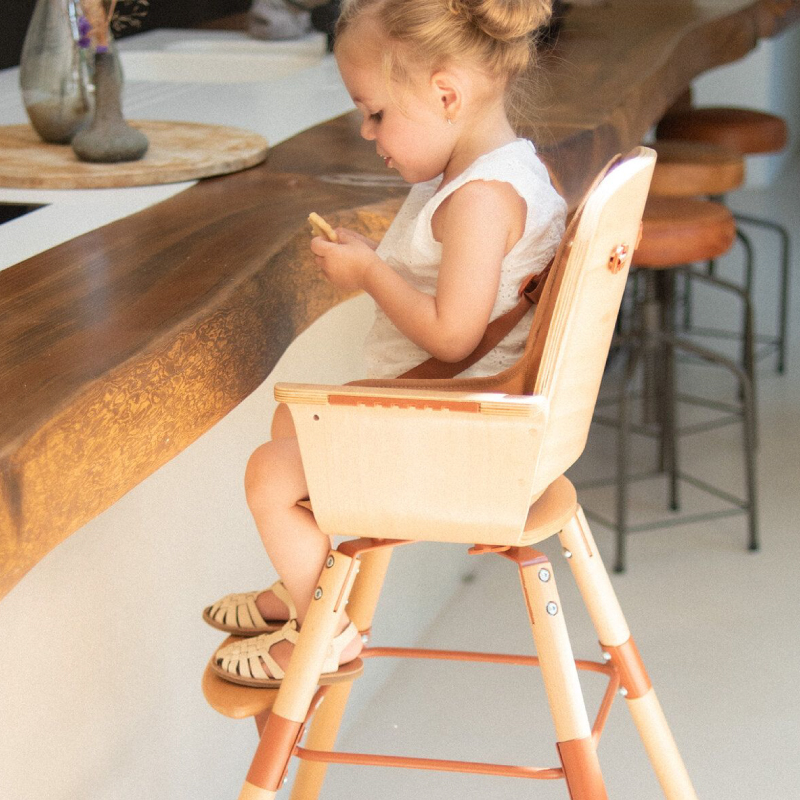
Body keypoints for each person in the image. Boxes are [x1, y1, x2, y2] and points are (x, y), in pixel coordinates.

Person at [206, 0, 567, 687]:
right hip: (476, 424)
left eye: (375, 113)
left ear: (446, 95)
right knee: (291, 425)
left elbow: (453, 337)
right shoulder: (516, 170)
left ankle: (324, 635)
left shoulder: (478, 200)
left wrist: (370, 272)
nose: (368, 133)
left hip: (462, 440)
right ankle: (305, 586)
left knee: (268, 475)